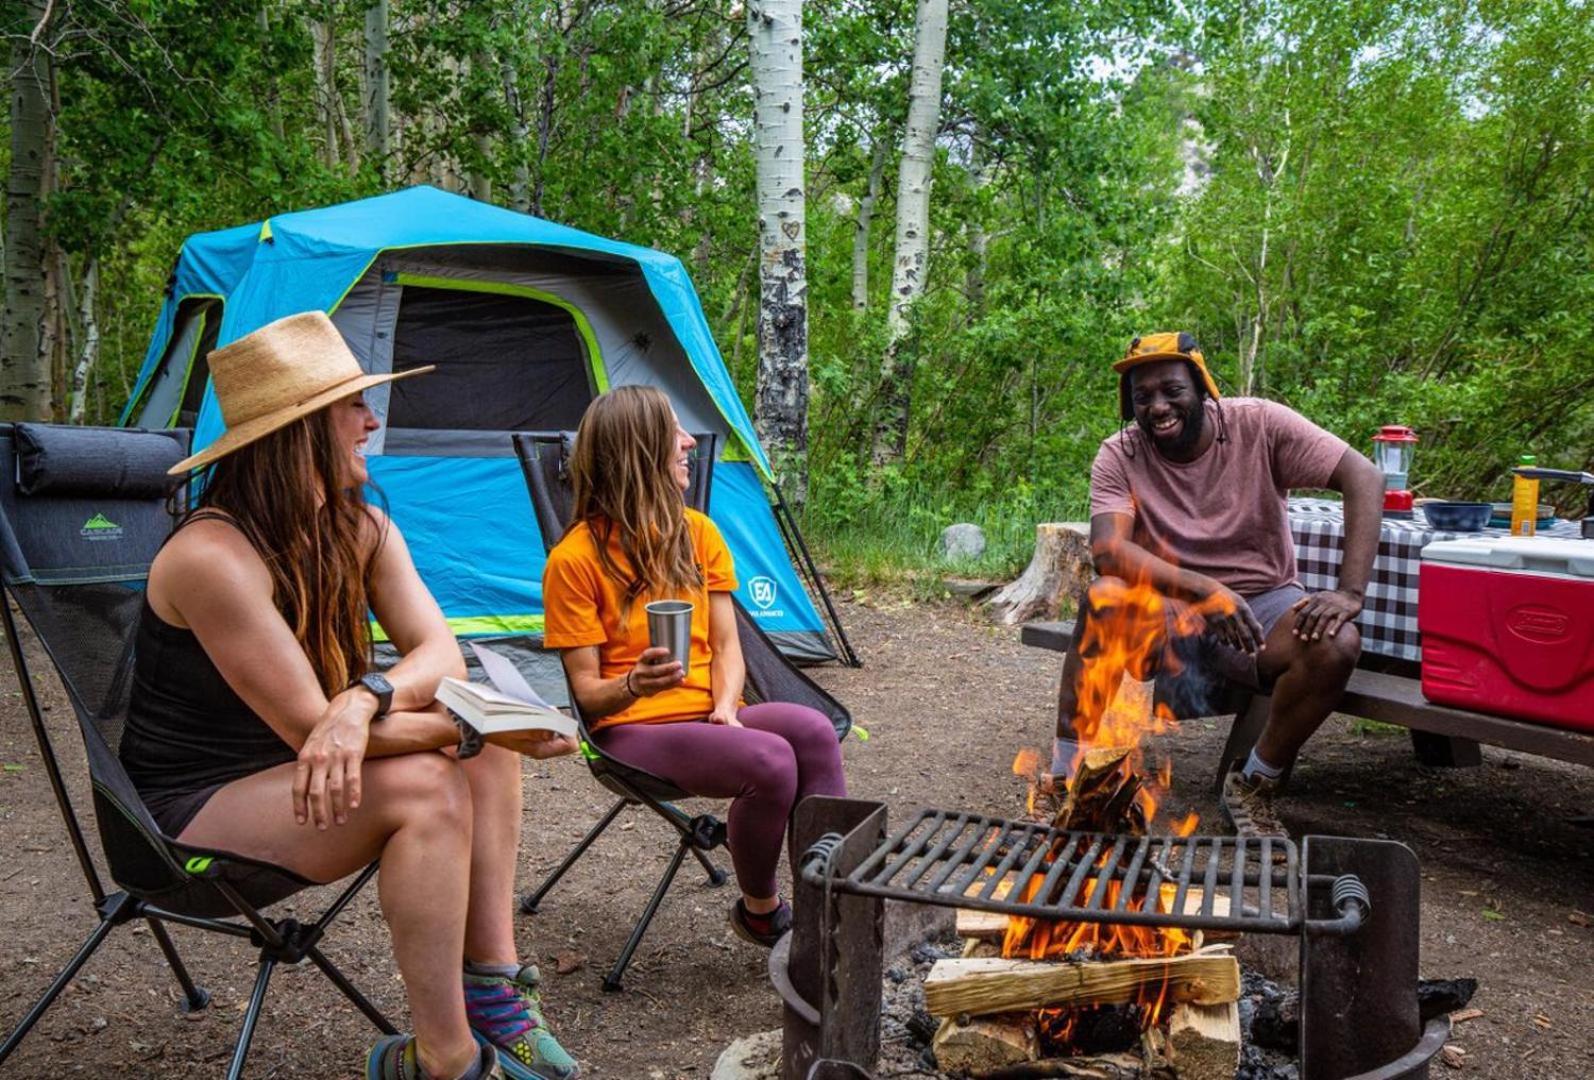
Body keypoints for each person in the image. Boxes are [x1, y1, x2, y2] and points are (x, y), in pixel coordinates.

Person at [119, 311, 581, 1080]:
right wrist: (467, 733)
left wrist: (366, 695)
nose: (372, 421)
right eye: (352, 408)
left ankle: (492, 988)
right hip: (192, 812)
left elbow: (440, 654)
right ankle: (446, 1058)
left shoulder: (357, 527)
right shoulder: (211, 556)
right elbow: (309, 729)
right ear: (299, 430)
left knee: (479, 753)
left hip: (302, 769)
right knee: (438, 779)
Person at [541, 386, 847, 947]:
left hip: (708, 715)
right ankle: (762, 912)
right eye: (673, 434)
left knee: (812, 730)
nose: (688, 443)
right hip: (631, 731)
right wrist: (634, 683)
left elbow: (729, 648)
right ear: (638, 453)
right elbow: (586, 695)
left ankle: (830, 906)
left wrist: (727, 708)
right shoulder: (574, 560)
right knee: (772, 760)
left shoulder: (698, 534)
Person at [1050, 332, 1385, 839]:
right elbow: (1109, 551)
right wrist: (1203, 591)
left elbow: (1365, 476)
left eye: (1172, 390)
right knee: (1105, 599)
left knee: (1336, 643)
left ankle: (1255, 783)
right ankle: (1066, 775)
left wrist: (1350, 593)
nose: (1158, 407)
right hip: (1167, 607)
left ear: (1203, 387)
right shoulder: (1120, 453)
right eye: (1143, 397)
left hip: (1263, 608)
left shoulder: (1260, 424)